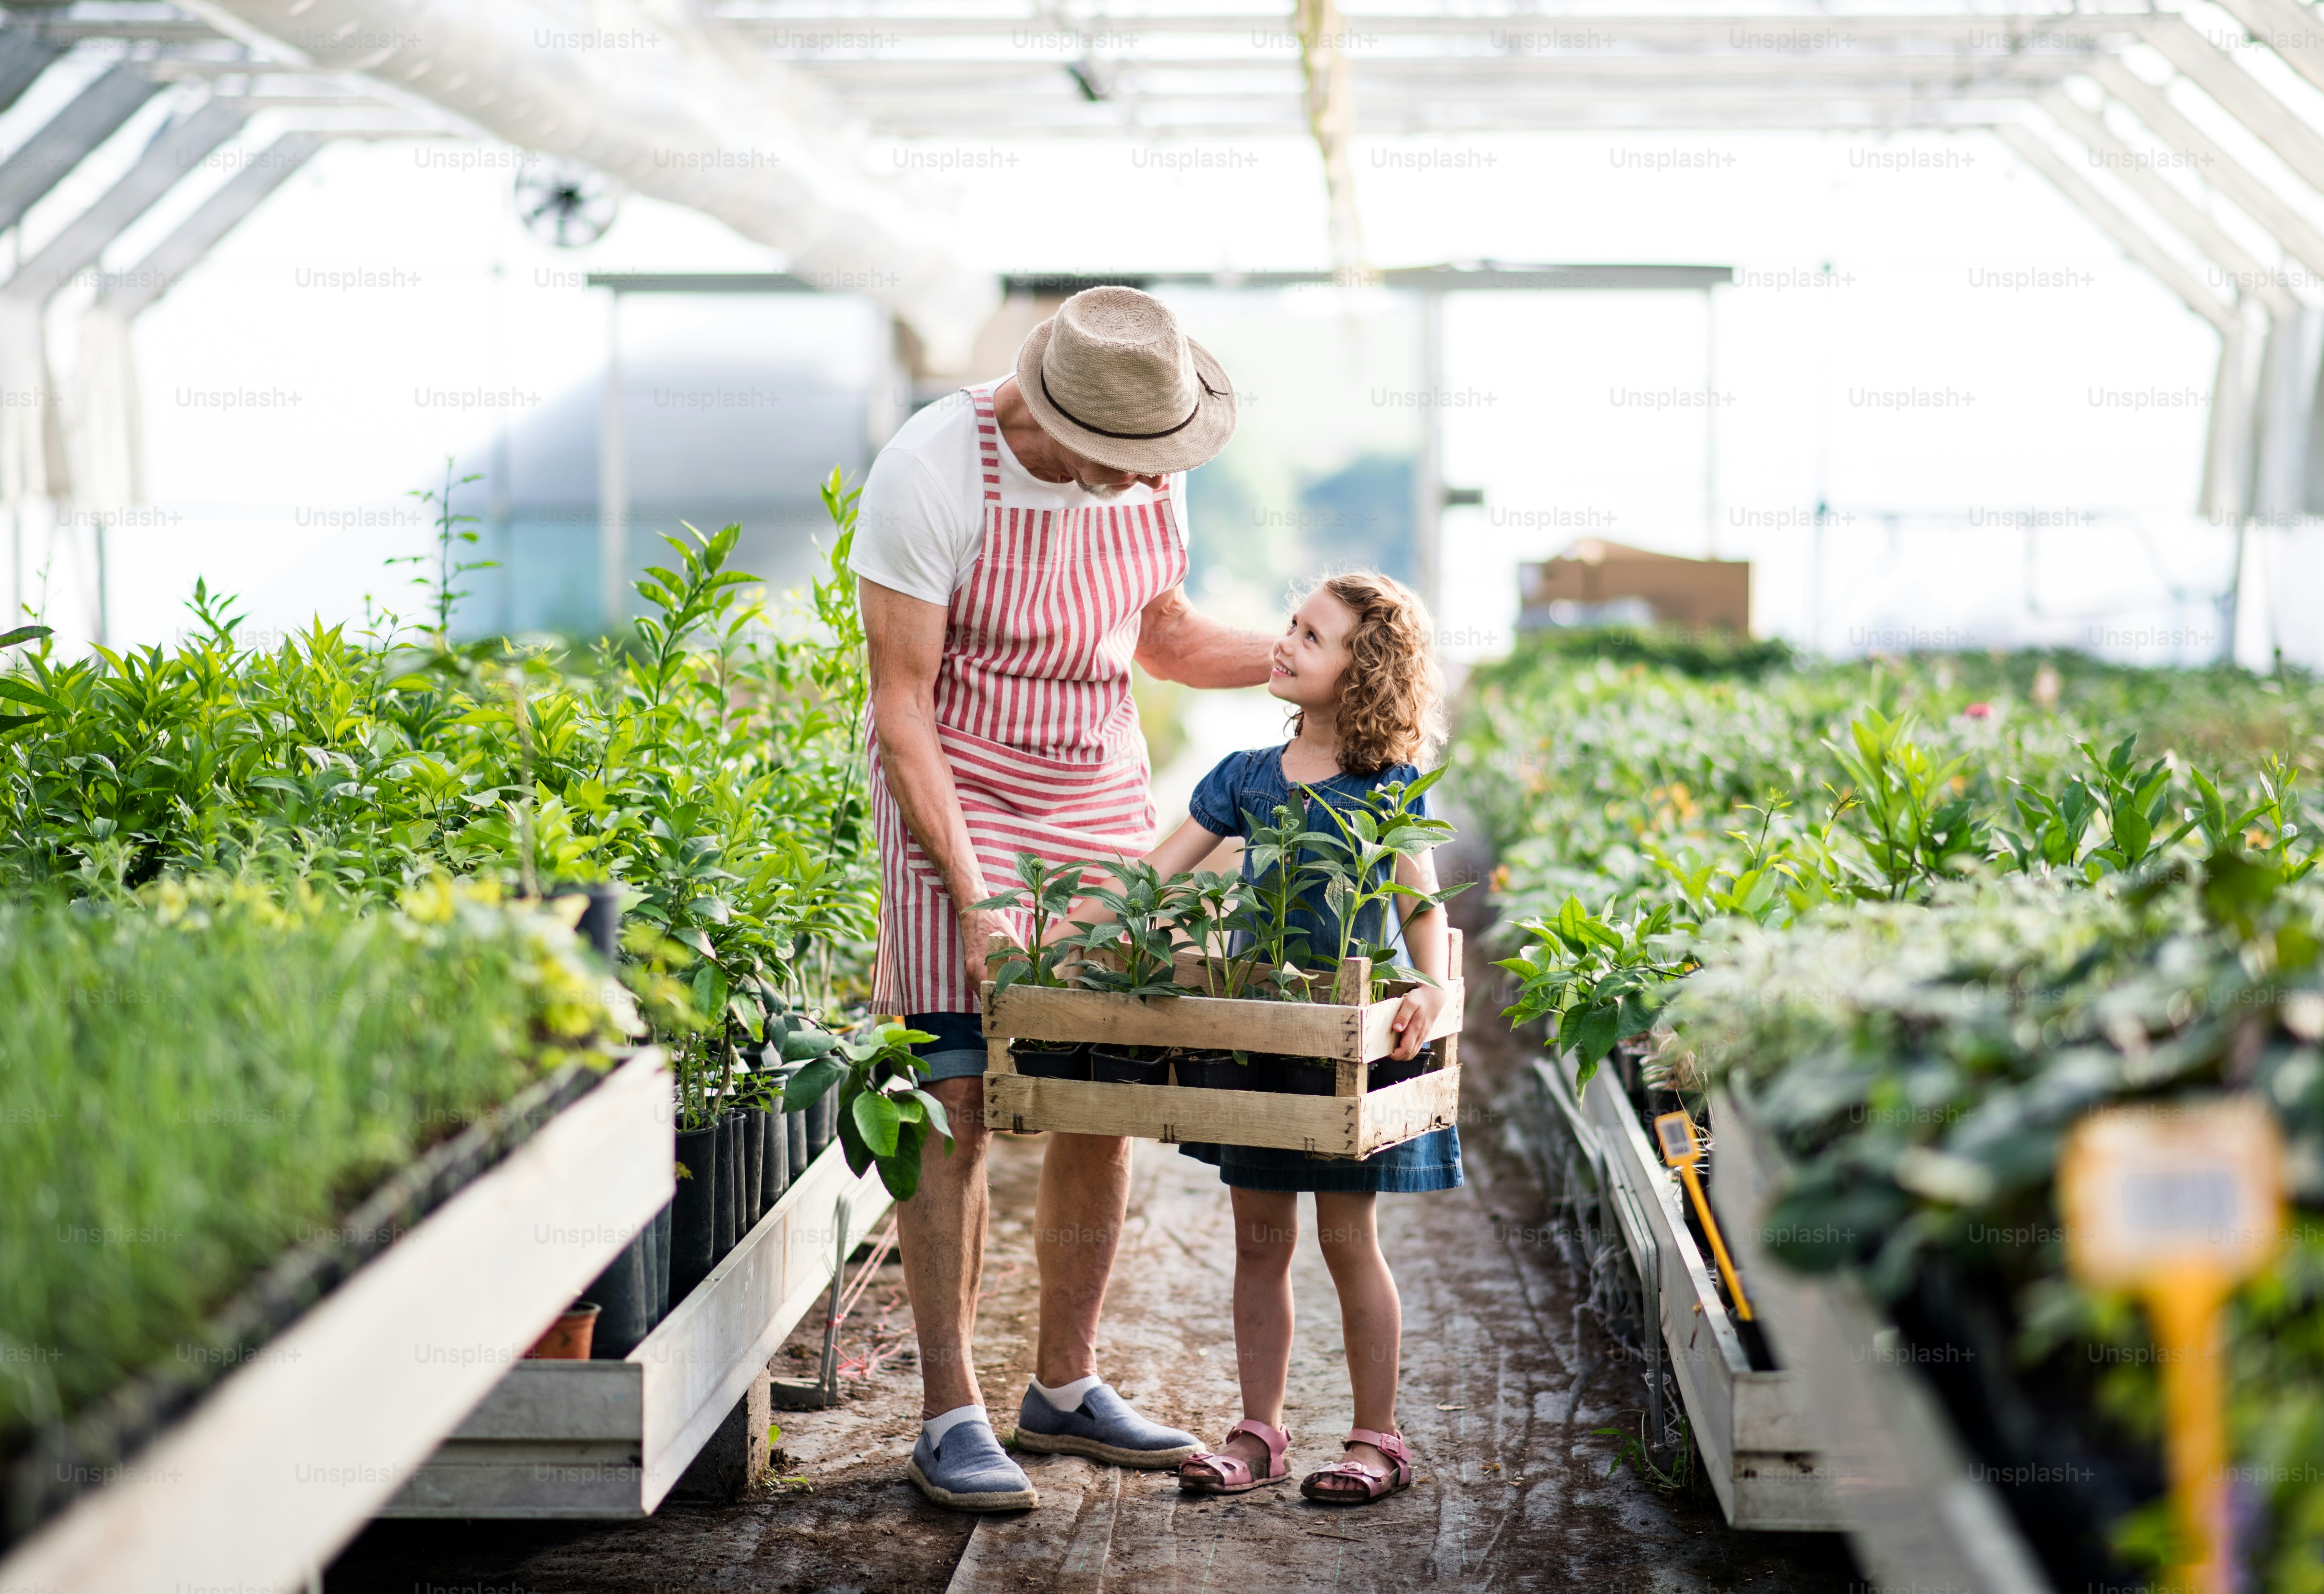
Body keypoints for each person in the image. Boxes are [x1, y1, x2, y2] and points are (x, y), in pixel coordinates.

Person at [854, 286, 1273, 1511]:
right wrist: (980, 904)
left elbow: (1166, 640)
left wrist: (1322, 659)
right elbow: (902, 711)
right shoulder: (936, 469)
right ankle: (948, 1409)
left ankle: (1064, 1387)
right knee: (954, 1089)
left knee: (1103, 1084)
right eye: (1125, 460)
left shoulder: (1146, 464)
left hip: (1090, 787)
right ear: (1058, 418)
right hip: (955, 788)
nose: (1144, 477)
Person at [1067, 571, 1460, 1506]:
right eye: (1290, 624)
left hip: (1346, 1045)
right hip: (1257, 1038)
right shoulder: (1242, 777)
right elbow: (1154, 874)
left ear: (1362, 671)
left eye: (1311, 636)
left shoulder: (1388, 791)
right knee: (1257, 1238)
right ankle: (1258, 1431)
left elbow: (1421, 913)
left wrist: (1434, 990)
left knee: (1348, 1237)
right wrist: (1079, 932)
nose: (1284, 642)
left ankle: (1376, 1436)